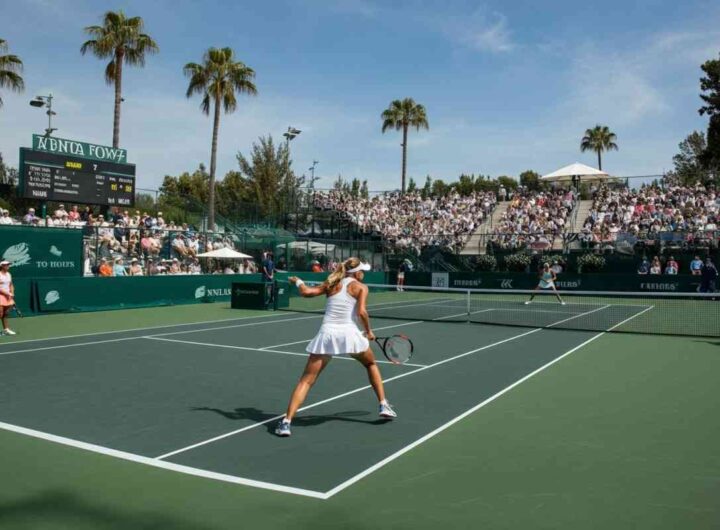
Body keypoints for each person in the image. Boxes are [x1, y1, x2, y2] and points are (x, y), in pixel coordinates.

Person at [275, 258, 396, 437]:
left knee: (306, 381)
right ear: (358, 272)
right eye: (363, 270)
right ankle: (383, 404)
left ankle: (286, 422)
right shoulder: (361, 287)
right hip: (349, 335)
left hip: (327, 335)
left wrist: (298, 281)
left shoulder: (331, 283)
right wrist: (369, 332)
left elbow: (307, 292)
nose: (365, 273)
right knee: (370, 364)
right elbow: (362, 312)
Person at [0, 261, 16, 335]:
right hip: (1, 296)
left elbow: (11, 285)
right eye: (6, 265)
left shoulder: (9, 274)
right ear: (2, 266)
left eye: (8, 265)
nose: (8, 266)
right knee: (0, 313)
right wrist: (8, 293)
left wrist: (12, 293)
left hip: (8, 296)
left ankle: (6, 329)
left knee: (6, 314)